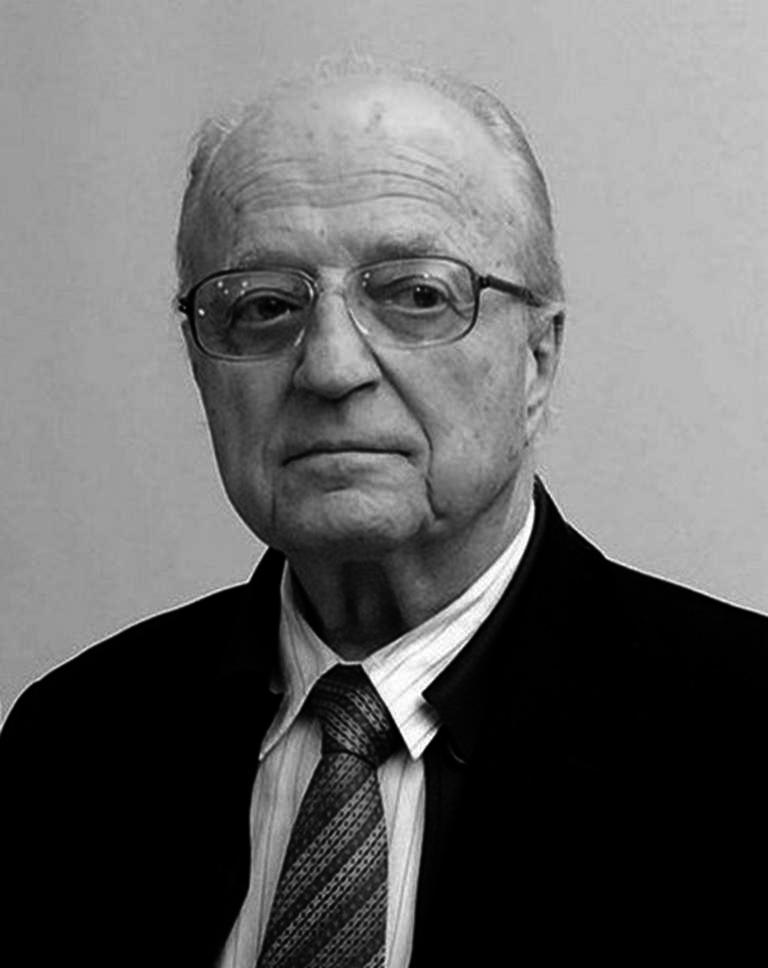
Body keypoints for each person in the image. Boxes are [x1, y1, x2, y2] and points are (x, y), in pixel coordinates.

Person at [2, 59, 767, 968]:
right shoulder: (72, 744)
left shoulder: (745, 738)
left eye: (414, 296)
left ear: (537, 358)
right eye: (264, 306)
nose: (331, 368)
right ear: (202, 369)